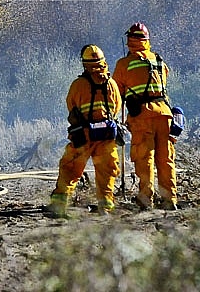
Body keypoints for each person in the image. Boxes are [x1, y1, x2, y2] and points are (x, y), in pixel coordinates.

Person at [47, 44, 122, 217]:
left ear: (85, 63)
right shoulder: (112, 84)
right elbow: (116, 107)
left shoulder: (78, 85)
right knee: (107, 173)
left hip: (84, 135)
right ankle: (106, 207)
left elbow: (71, 107)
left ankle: (59, 204)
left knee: (70, 169)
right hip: (106, 136)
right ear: (103, 62)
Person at [112, 22, 178, 210]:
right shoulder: (158, 60)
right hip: (165, 115)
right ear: (146, 40)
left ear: (130, 40)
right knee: (166, 159)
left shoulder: (124, 64)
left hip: (142, 117)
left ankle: (145, 200)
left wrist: (114, 118)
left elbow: (116, 93)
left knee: (145, 158)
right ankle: (169, 199)